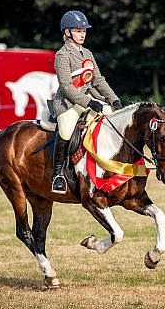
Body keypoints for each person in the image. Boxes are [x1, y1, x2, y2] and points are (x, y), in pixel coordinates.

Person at [48, 10, 123, 194]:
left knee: (113, 118)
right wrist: (88, 102)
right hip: (67, 102)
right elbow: (66, 86)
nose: (82, 34)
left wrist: (114, 99)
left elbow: (98, 80)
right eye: (78, 31)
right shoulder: (62, 55)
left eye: (84, 31)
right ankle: (57, 175)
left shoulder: (88, 53)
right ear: (67, 33)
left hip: (90, 99)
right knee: (65, 130)